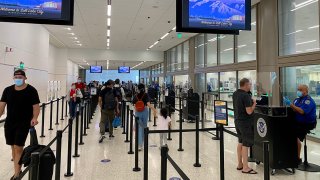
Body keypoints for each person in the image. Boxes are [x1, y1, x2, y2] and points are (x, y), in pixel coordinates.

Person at [0, 70, 40, 180]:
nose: (18, 78)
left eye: (20, 76)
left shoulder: (31, 90)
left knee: (18, 147)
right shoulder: (7, 90)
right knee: (13, 148)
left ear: (25, 78)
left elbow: (36, 107)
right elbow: (1, 106)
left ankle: (17, 175)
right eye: (16, 76)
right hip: (9, 123)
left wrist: (35, 118)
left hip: (23, 123)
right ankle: (18, 168)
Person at [283, 84, 317, 163]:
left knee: (294, 136)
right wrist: (290, 105)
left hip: (306, 123)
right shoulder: (297, 100)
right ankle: (289, 155)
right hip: (297, 121)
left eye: (301, 90)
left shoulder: (309, 101)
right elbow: (295, 109)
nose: (299, 91)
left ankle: (297, 158)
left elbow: (301, 111)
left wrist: (290, 104)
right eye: (298, 89)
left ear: (306, 91)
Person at [232, 78, 257, 174]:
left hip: (237, 121)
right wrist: (254, 103)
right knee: (246, 144)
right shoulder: (245, 95)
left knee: (240, 142)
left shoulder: (235, 93)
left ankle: (240, 164)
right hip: (245, 123)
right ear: (246, 85)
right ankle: (246, 167)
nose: (250, 86)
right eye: (250, 85)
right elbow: (249, 111)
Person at [132, 83, 157, 150]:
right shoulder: (146, 95)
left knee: (139, 127)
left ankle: (139, 144)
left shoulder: (135, 95)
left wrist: (136, 110)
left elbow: (134, 105)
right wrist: (154, 109)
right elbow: (148, 104)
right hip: (144, 111)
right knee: (143, 127)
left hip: (137, 112)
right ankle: (141, 143)